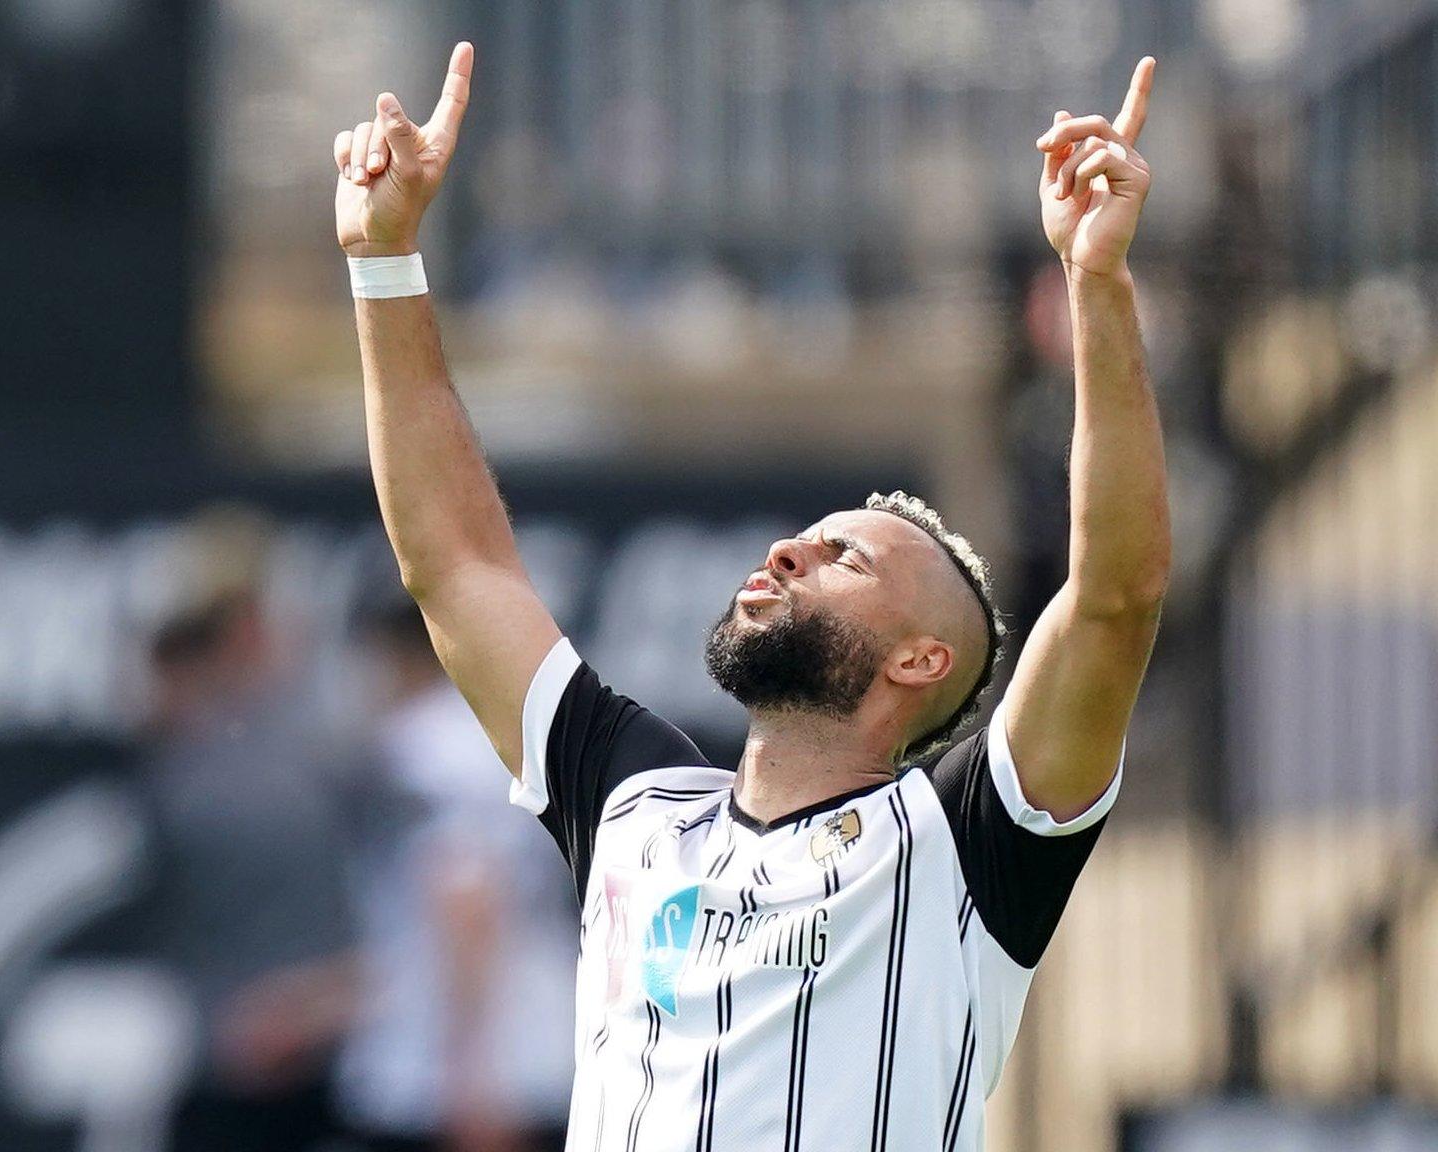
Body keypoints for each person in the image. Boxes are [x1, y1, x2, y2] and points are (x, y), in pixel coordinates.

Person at [331, 43, 1168, 1151]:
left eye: (844, 560)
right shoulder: (636, 805)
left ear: (918, 660)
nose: (786, 553)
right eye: (803, 539)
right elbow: (455, 565)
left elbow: (1113, 598)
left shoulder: (962, 843)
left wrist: (1094, 287)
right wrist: (383, 259)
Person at [140, 512, 361, 1152]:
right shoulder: (180, 758)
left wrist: (319, 1003)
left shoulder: (336, 753)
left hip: (338, 1065)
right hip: (221, 1064)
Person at [336, 597, 575, 1152]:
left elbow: (468, 900)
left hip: (464, 1075)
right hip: (519, 1052)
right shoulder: (492, 732)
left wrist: (470, 1079)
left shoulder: (432, 744)